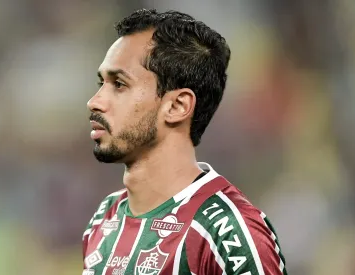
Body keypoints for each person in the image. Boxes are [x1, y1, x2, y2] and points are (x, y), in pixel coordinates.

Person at [83, 9, 287, 275]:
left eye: (119, 84)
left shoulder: (228, 232)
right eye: (102, 83)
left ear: (177, 106)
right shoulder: (105, 218)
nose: (94, 102)